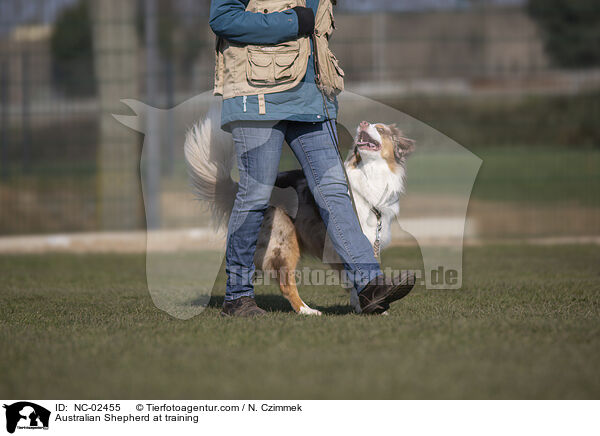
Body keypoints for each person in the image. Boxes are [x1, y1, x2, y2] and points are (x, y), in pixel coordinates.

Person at [209, 0, 414, 317]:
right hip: (257, 92)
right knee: (255, 193)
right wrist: (291, 22)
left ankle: (369, 286)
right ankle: (237, 297)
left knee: (334, 189)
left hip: (312, 94)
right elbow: (223, 17)